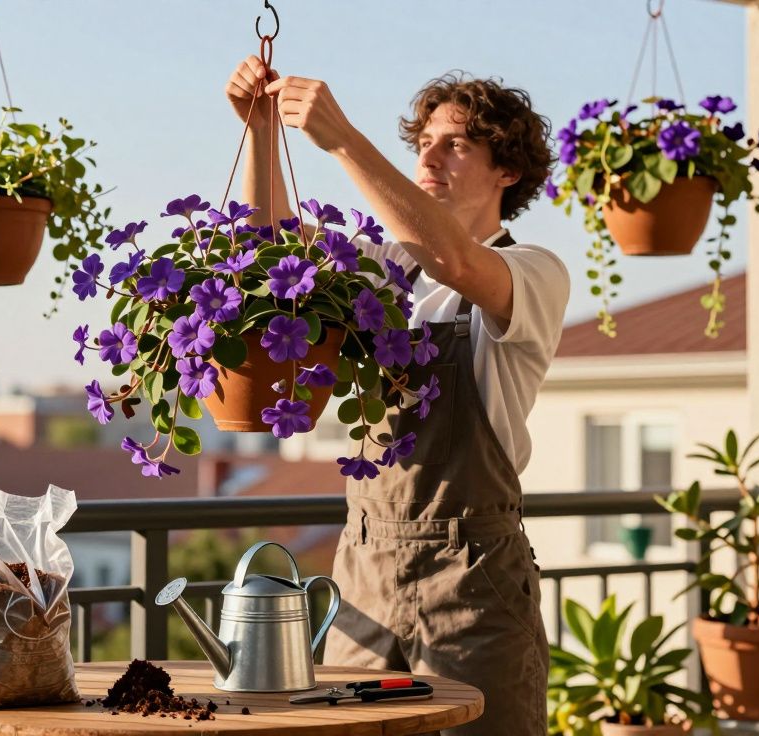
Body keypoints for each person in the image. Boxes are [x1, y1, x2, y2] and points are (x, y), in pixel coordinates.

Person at [226, 57, 570, 735]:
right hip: (364, 578)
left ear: (508, 171)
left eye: (456, 145)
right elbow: (270, 257)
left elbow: (460, 262)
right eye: (423, 145)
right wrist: (264, 134)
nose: (429, 157)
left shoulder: (534, 273)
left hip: (470, 583)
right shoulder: (382, 271)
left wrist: (342, 139)